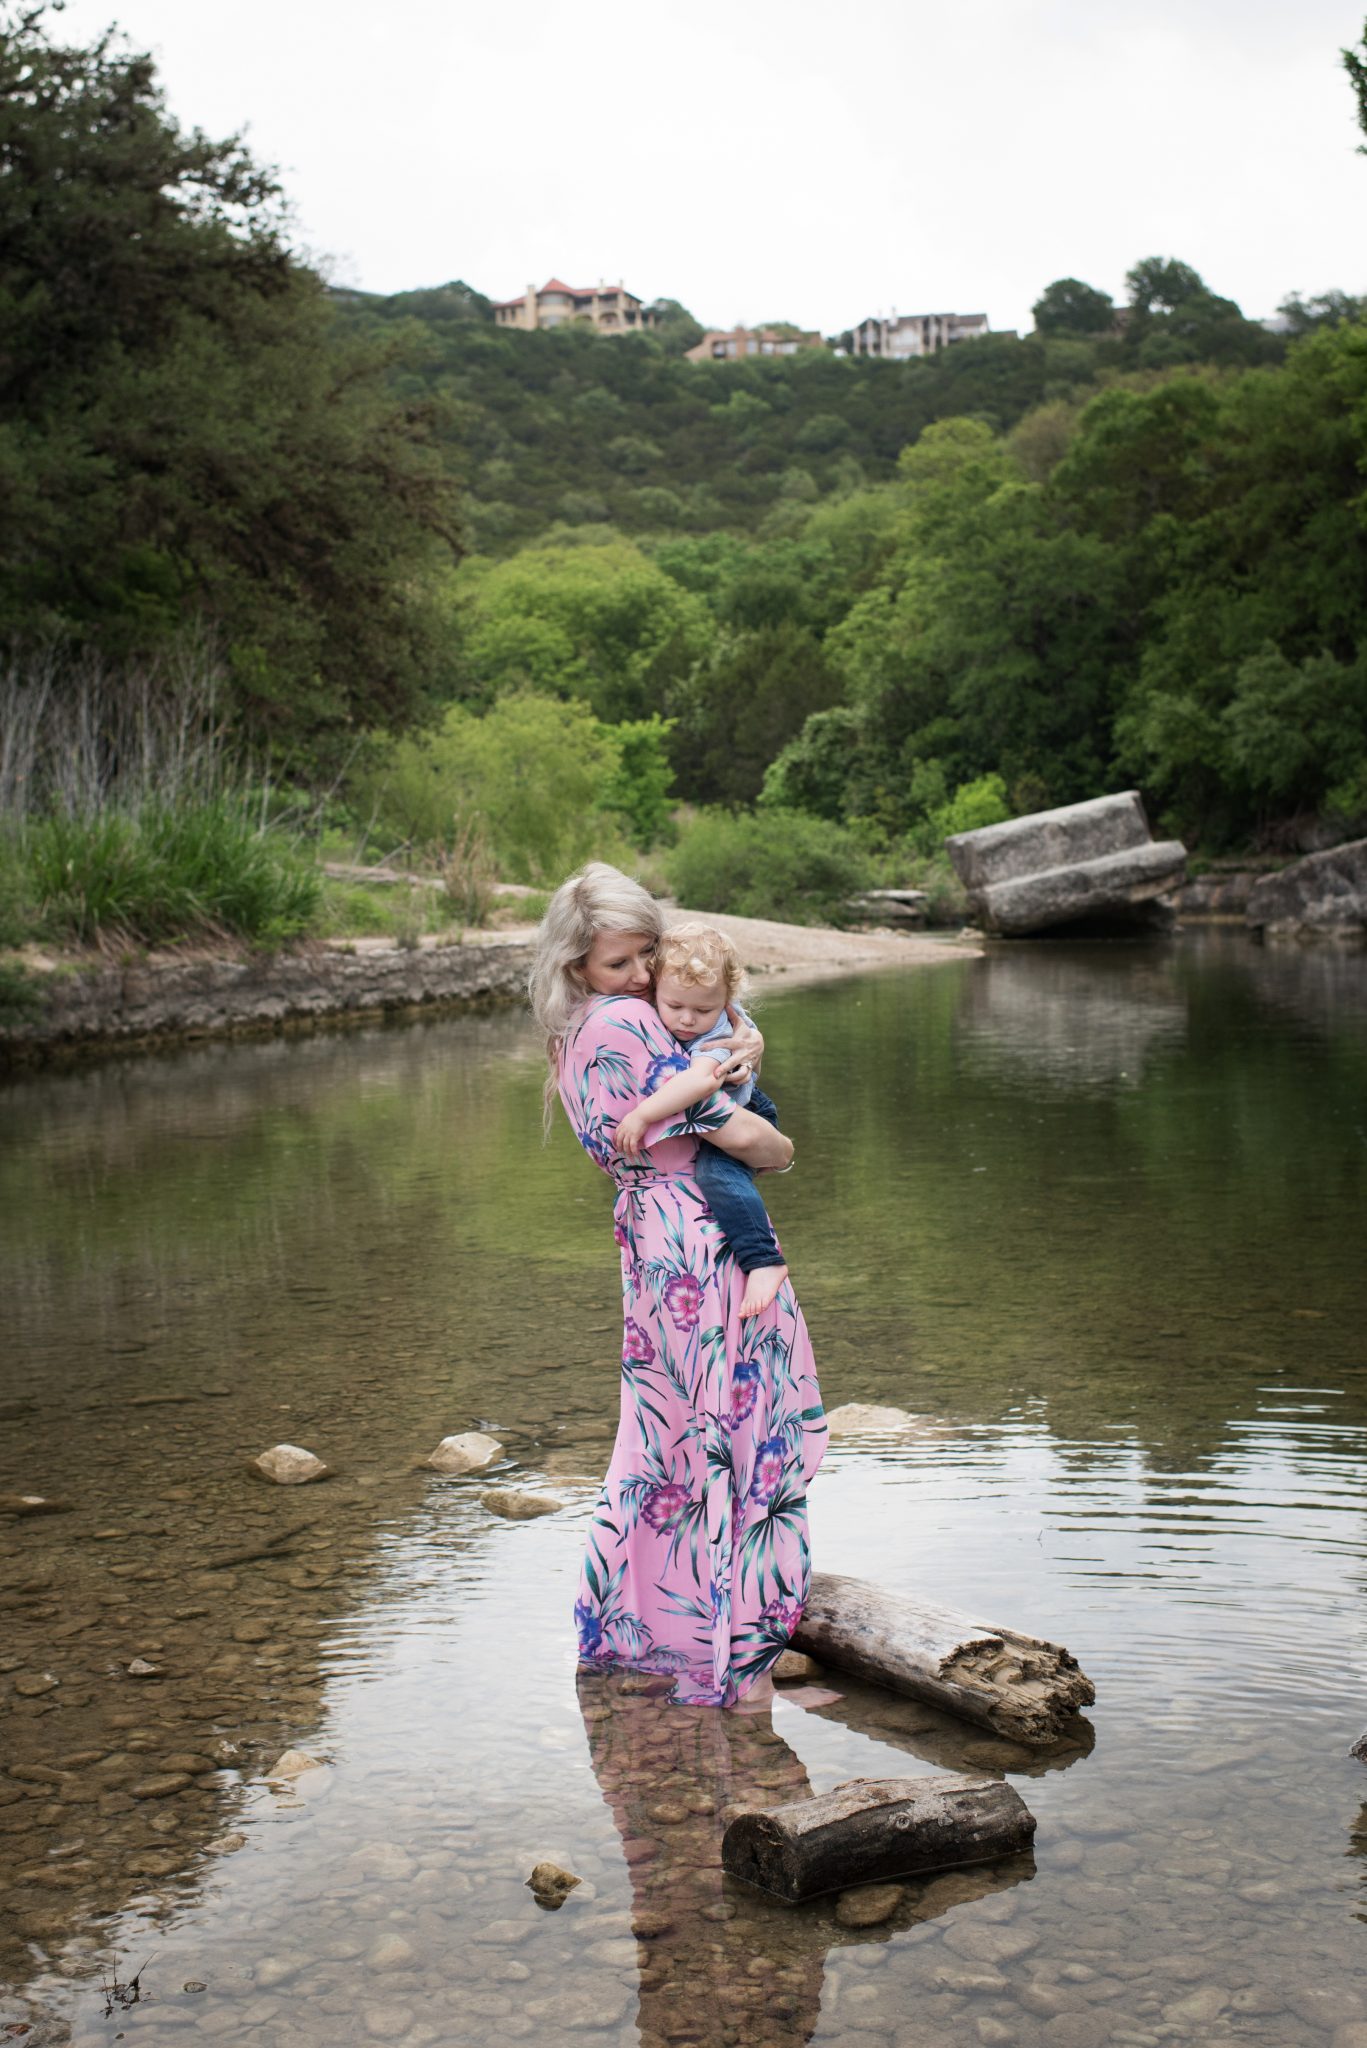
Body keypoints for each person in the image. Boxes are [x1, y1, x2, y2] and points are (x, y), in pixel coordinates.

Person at [529, 863, 827, 1707]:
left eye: (643, 957)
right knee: (740, 1429)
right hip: (698, 1239)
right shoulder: (626, 1026)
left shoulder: (574, 1030)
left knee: (673, 1437)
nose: (638, 979)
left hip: (651, 1240)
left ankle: (659, 1638)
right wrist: (769, 1129)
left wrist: (743, 1042)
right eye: (616, 963)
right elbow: (759, 1146)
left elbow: (717, 1038)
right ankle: (739, 1658)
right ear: (574, 962)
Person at [613, 921, 789, 1319]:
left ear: (727, 1001)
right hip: (721, 1119)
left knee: (715, 1175)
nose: (687, 1020)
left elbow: (700, 1080)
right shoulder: (655, 1008)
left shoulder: (718, 1036)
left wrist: (643, 1113)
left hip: (749, 1110)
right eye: (674, 1007)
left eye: (703, 1010)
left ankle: (765, 1261)